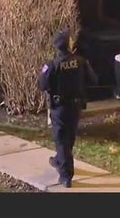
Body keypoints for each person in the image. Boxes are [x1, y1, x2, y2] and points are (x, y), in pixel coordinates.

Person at [37, 28, 97, 188]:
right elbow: (93, 80)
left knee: (61, 139)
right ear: (68, 45)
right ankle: (59, 160)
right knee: (69, 137)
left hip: (60, 107)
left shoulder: (52, 65)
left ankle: (65, 175)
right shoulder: (81, 61)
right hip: (75, 106)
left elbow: (42, 85)